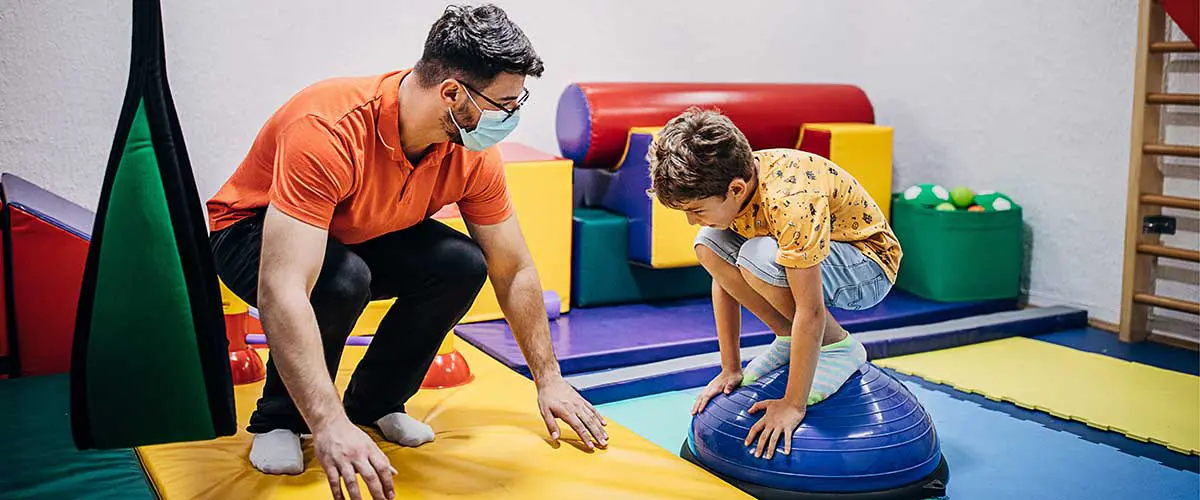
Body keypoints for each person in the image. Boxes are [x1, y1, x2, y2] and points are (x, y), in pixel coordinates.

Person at [206, 5, 607, 500]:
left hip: (353, 231)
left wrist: (549, 380)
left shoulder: (472, 152)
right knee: (340, 280)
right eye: (505, 103)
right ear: (453, 93)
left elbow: (514, 266)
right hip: (250, 231)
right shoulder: (329, 128)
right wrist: (326, 422)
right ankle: (282, 419)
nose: (512, 116)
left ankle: (373, 405)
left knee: (462, 264)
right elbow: (283, 287)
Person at [647, 108, 901, 461]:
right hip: (818, 260)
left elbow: (810, 310)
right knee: (709, 244)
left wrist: (792, 404)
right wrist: (730, 368)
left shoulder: (790, 201)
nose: (691, 220)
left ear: (735, 189)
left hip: (868, 268)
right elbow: (723, 282)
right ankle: (786, 336)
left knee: (759, 256)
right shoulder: (738, 188)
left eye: (696, 210)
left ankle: (840, 347)